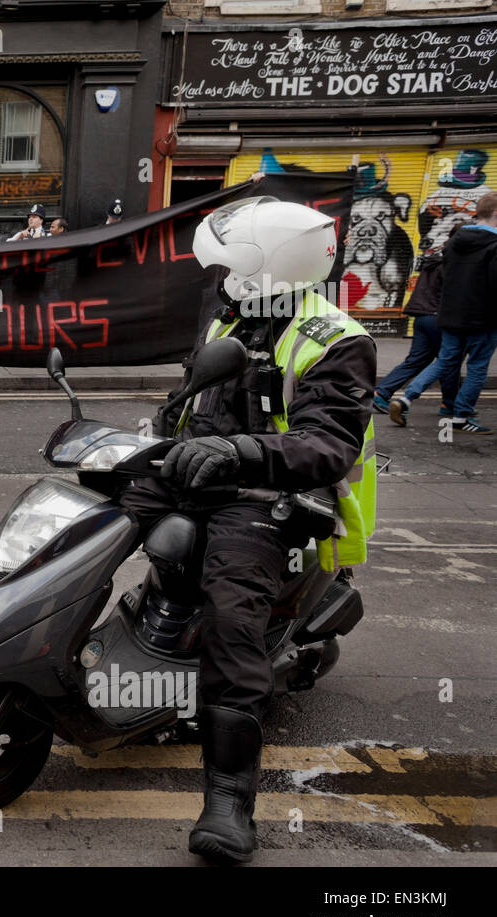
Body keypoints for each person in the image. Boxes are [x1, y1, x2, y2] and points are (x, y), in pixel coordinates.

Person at [123, 197, 375, 863]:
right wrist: (149, 448)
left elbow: (329, 445)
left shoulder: (336, 340)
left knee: (233, 617)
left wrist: (241, 453)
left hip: (276, 493)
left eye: (232, 269)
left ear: (272, 268)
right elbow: (195, 404)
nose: (220, 281)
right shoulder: (232, 314)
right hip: (206, 471)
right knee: (88, 517)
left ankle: (229, 800)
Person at [389, 192, 497, 435]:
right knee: (478, 366)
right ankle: (461, 417)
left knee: (445, 361)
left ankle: (406, 398)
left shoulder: (454, 243)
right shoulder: (493, 246)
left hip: (449, 315)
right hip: (482, 318)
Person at [372, 229, 460, 417]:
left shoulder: (435, 258)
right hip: (438, 318)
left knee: (417, 360)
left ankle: (381, 392)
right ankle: (450, 405)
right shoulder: (453, 263)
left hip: (421, 317)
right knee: (449, 361)